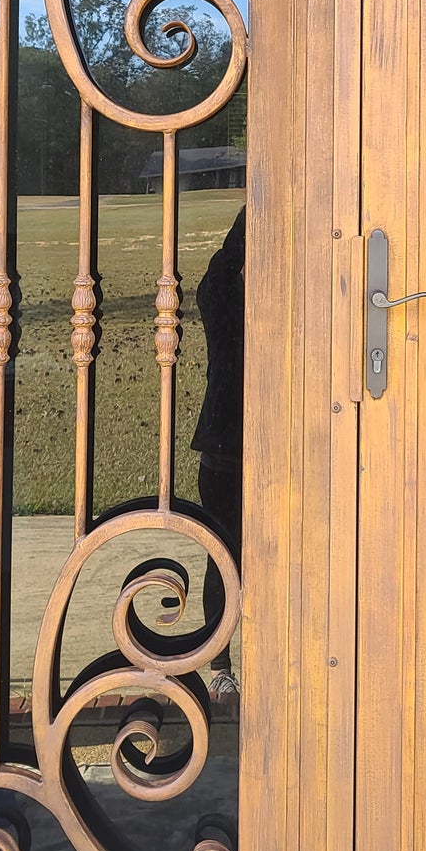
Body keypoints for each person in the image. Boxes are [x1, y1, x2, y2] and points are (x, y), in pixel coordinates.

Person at [190, 206, 245, 704]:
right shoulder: (229, 298)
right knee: (224, 557)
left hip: (234, 445)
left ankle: (224, 666)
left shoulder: (222, 293)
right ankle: (221, 664)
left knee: (225, 558)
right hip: (229, 446)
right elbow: (217, 278)